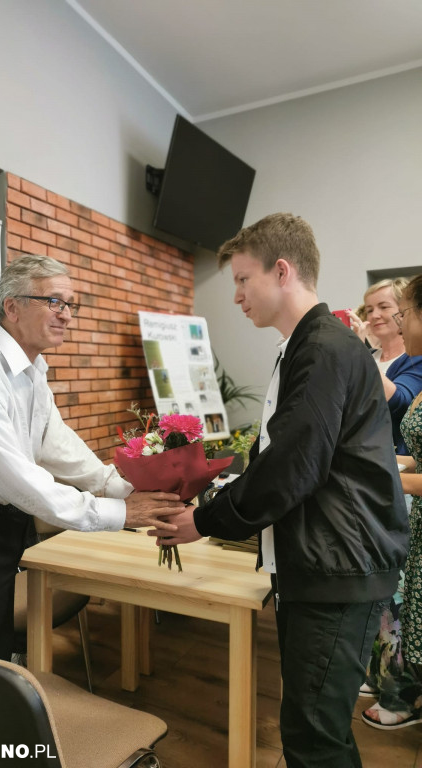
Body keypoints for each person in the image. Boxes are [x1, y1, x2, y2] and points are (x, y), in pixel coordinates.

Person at [149, 213, 410, 768]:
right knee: (312, 728)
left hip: (338, 567)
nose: (237, 296)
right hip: (325, 561)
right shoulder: (307, 345)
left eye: (244, 280)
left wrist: (207, 520)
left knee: (314, 738)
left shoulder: (323, 347)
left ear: (282, 270)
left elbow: (294, 464)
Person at [0, 255, 185, 661]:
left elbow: (54, 442)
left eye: (71, 304)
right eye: (54, 301)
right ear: (12, 307)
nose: (67, 315)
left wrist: (117, 486)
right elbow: (22, 483)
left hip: (4, 530)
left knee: (0, 657)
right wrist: (121, 513)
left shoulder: (32, 368)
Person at [362, 275, 422, 729]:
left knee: (400, 602)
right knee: (388, 597)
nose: (387, 318)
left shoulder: (411, 365)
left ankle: (400, 691)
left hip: (404, 495)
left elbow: (396, 403)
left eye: (398, 310)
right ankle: (383, 675)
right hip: (396, 491)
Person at [348, 278, 422, 455]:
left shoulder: (415, 358)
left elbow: (400, 403)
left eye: (384, 307)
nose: (374, 315)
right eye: (369, 310)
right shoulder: (369, 356)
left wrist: (359, 354)